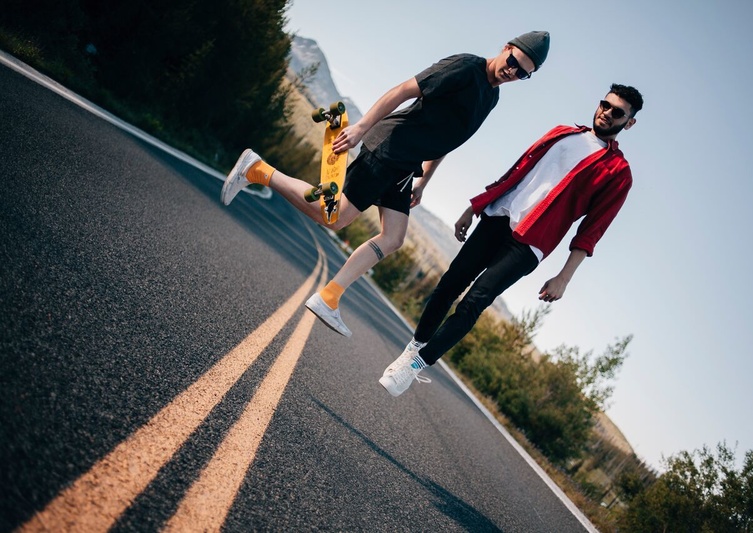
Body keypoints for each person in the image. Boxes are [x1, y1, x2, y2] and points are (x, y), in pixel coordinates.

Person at [220, 31, 551, 337]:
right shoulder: (465, 67)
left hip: (406, 165)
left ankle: (329, 297)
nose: (513, 72)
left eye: (523, 73)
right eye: (513, 63)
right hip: (390, 148)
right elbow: (405, 89)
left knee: (393, 238)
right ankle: (258, 170)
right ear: (506, 48)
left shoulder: (490, 99)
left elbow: (448, 140)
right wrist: (361, 127)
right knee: (332, 216)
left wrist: (424, 182)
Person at [379, 83, 644, 397]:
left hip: (531, 243)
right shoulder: (563, 133)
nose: (607, 113)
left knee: (475, 302)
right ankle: (414, 347)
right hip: (498, 217)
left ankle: (415, 366)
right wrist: (475, 206)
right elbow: (517, 171)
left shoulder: (618, 172)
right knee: (449, 284)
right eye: (605, 105)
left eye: (618, 113)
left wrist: (564, 277)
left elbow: (592, 230)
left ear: (629, 122)